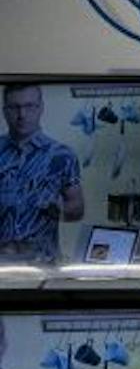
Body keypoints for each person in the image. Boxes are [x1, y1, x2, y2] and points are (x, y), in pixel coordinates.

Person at [0, 83, 85, 268]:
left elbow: (77, 209)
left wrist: (60, 209)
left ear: (41, 108)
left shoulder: (62, 155)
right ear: (4, 110)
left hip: (43, 265)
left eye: (29, 106)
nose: (22, 115)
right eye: (15, 107)